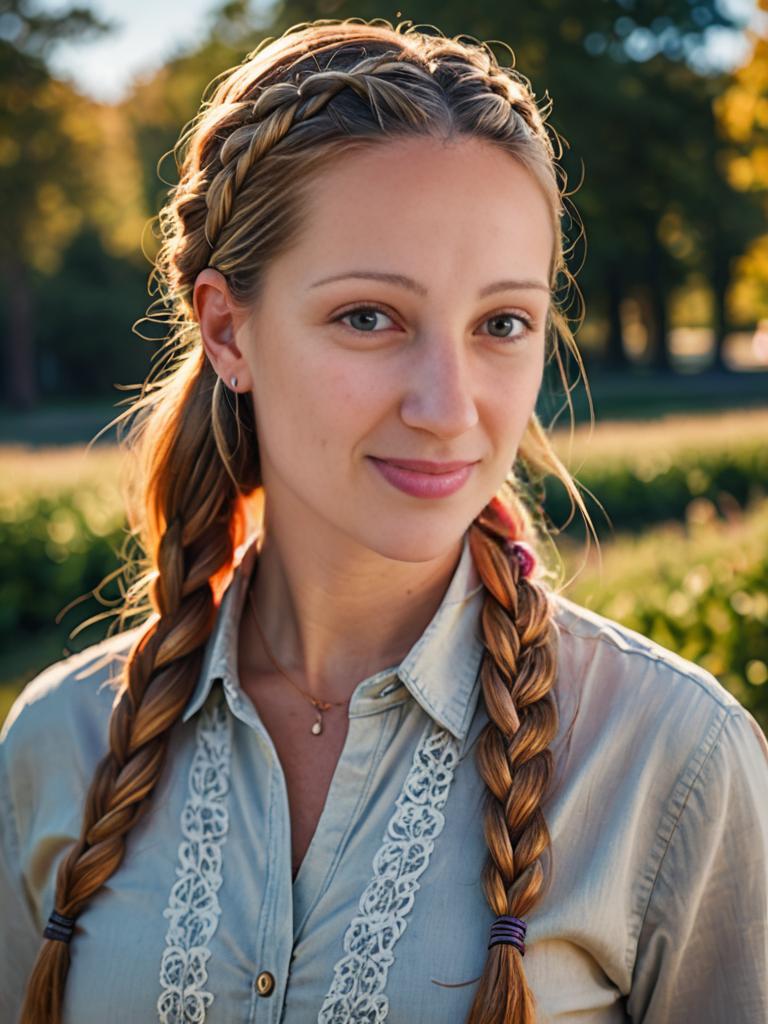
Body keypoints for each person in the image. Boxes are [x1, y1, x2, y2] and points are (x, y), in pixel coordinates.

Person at [1, 17, 766, 1024]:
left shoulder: (672, 759)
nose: (449, 406)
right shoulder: (58, 744)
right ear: (228, 329)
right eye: (370, 316)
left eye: (502, 324)